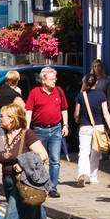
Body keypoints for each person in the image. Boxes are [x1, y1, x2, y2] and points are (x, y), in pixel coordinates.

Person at [24, 67, 68, 198]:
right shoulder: (34, 93)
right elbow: (29, 110)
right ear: (43, 80)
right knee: (38, 160)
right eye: (51, 79)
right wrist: (26, 128)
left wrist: (65, 125)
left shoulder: (59, 91)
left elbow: (64, 109)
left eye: (55, 79)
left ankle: (52, 187)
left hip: (56, 129)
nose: (54, 81)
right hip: (39, 130)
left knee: (55, 160)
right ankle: (39, 185)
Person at [74, 71, 110, 187]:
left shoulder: (81, 95)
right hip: (98, 127)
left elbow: (76, 113)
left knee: (83, 152)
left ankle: (82, 174)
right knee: (96, 153)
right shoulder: (101, 95)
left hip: (85, 126)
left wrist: (77, 119)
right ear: (96, 82)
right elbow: (106, 113)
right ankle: (93, 177)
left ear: (85, 83)